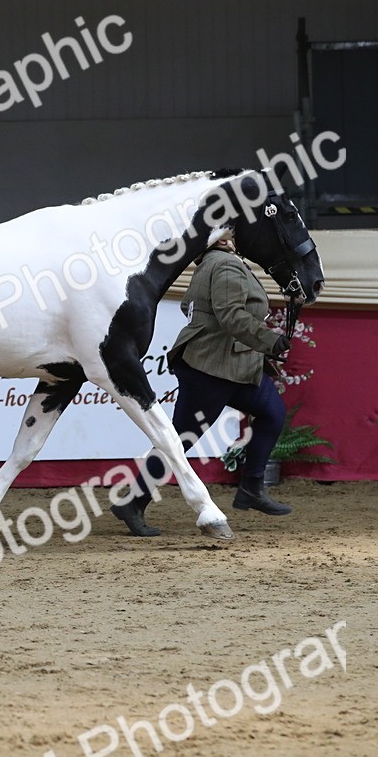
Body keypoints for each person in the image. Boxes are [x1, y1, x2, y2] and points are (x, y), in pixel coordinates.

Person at [112, 228, 293, 537]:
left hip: (233, 367)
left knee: (273, 413)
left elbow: (192, 308)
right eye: (222, 231)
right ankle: (133, 502)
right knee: (178, 441)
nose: (229, 234)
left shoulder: (209, 263)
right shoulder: (223, 264)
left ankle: (251, 487)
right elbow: (231, 316)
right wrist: (269, 341)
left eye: (230, 230)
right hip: (211, 370)